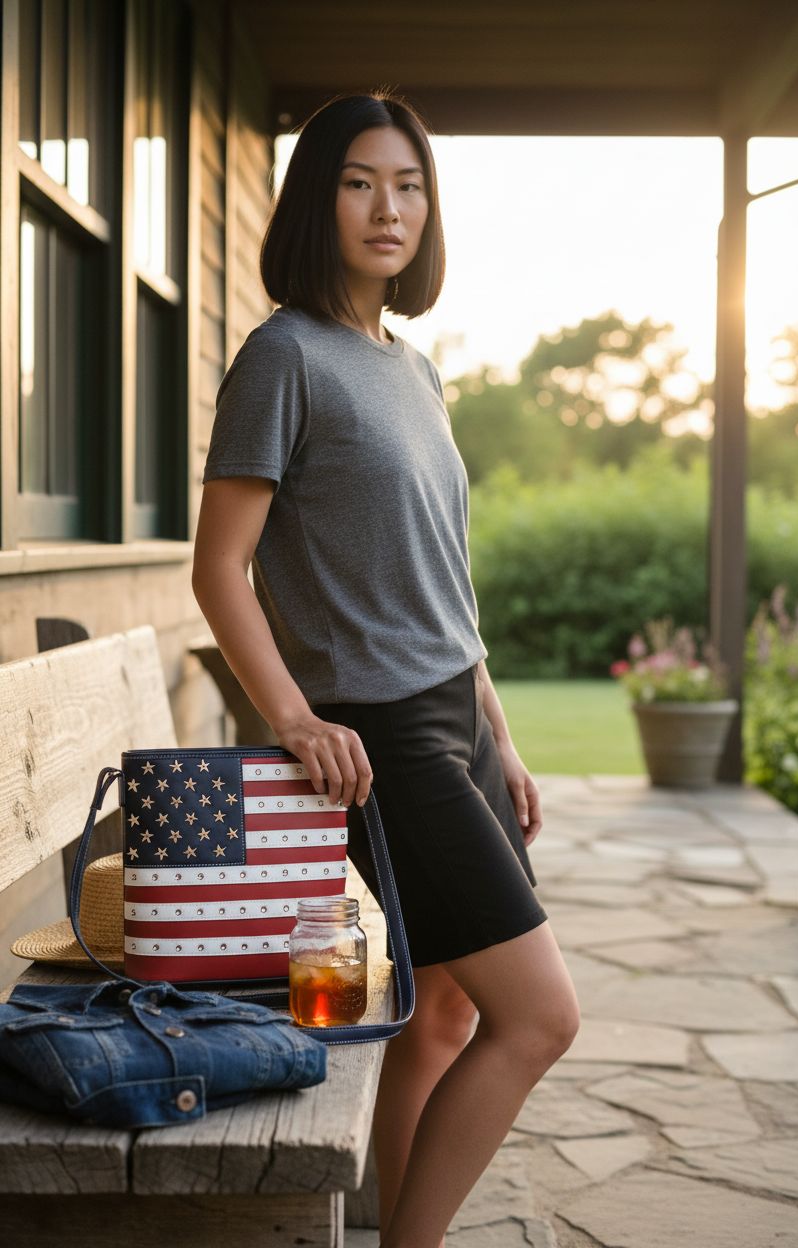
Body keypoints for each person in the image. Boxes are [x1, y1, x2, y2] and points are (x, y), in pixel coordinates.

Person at [192, 88, 580, 1248]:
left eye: (408, 186)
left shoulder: (409, 367)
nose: (388, 208)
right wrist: (294, 716)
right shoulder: (283, 357)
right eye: (361, 181)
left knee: (447, 1015)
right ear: (320, 198)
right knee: (542, 1018)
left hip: (452, 716)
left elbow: (443, 581)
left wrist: (497, 735)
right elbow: (220, 571)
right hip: (381, 738)